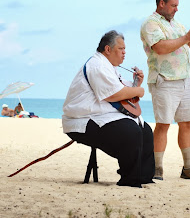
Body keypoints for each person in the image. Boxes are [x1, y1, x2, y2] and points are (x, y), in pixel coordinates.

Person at [62, 30, 155, 188]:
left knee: (145, 130)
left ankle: (143, 177)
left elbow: (123, 92)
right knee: (131, 132)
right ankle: (129, 180)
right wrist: (139, 91)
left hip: (102, 116)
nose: (124, 52)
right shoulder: (97, 65)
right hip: (83, 120)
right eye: (121, 49)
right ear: (107, 49)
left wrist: (136, 84)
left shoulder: (110, 67)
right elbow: (114, 94)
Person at [140, 0, 190, 181]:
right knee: (163, 124)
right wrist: (187, 38)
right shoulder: (151, 24)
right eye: (173, 5)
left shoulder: (177, 25)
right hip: (164, 79)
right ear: (161, 3)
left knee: (187, 123)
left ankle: (188, 168)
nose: (176, 9)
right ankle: (156, 168)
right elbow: (160, 48)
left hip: (184, 80)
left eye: (177, 6)